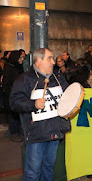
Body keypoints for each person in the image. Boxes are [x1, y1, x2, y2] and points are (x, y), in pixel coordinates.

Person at [10, 48, 69, 181]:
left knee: (48, 167)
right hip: (36, 133)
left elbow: (67, 95)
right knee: (33, 172)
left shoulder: (58, 77)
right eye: (49, 58)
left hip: (55, 131)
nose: (53, 62)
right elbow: (14, 102)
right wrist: (33, 104)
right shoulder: (24, 79)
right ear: (38, 60)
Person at [2, 50, 24, 142]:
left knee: (16, 114)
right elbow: (7, 83)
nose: (23, 59)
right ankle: (14, 133)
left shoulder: (17, 67)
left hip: (18, 94)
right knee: (12, 115)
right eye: (21, 57)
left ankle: (17, 131)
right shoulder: (9, 68)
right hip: (11, 95)